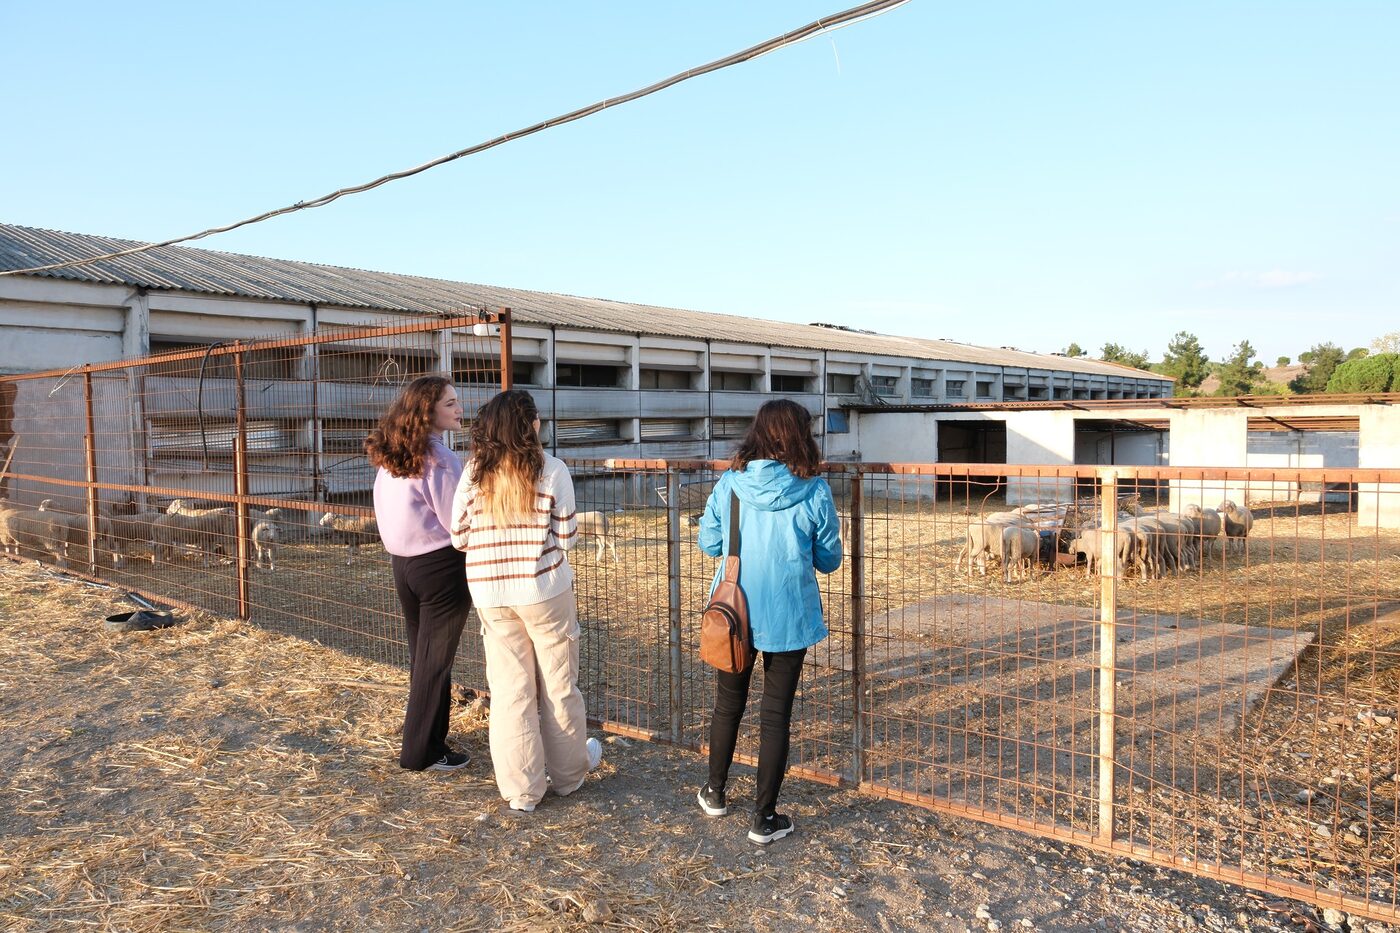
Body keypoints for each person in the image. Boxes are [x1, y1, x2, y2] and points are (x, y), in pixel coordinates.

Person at [696, 399, 843, 844]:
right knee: (776, 716)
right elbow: (830, 559)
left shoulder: (732, 485)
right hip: (789, 614)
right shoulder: (814, 489)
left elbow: (708, 542)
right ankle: (764, 818)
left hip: (734, 612)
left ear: (757, 433)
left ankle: (716, 793)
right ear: (802, 436)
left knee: (728, 704)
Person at [450, 389, 601, 812]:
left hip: (491, 593)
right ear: (531, 424)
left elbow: (458, 536)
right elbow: (567, 537)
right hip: (544, 591)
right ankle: (569, 776)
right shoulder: (552, 469)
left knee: (511, 690)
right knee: (558, 685)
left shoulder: (473, 473)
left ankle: (521, 791)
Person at [366, 375, 473, 772]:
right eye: (450, 403)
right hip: (440, 566)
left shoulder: (394, 453)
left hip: (403, 565)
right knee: (434, 661)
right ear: (427, 411)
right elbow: (456, 522)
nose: (459, 408)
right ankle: (421, 752)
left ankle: (430, 739)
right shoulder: (441, 459)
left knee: (424, 657)